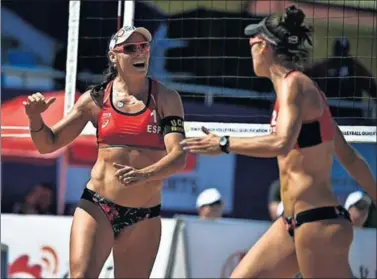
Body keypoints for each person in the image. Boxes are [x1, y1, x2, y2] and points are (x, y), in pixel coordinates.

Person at [181, 6, 376, 278]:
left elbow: (281, 143)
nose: (249, 48)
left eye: (251, 42)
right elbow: (349, 156)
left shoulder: (295, 85)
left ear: (263, 46)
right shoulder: (297, 94)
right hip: (291, 224)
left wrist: (224, 143)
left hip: (318, 222)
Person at [23, 25, 186, 278]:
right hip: (98, 206)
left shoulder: (166, 98)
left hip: (143, 215)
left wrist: (145, 174)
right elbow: (48, 144)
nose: (139, 53)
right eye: (130, 49)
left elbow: (178, 157)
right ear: (114, 56)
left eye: (144, 47)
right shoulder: (95, 100)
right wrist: (35, 118)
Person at [304, 37, 377, 121]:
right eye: (339, 53)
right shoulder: (323, 68)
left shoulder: (356, 69)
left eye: (343, 53)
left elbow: (372, 88)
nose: (341, 57)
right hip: (331, 115)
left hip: (352, 116)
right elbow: (305, 78)